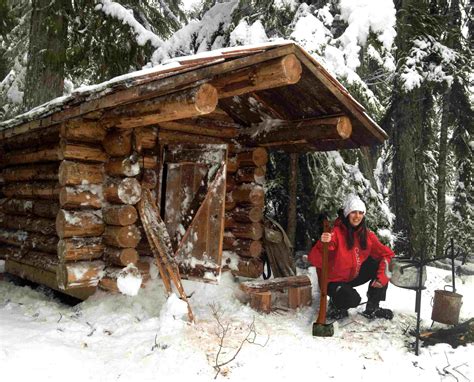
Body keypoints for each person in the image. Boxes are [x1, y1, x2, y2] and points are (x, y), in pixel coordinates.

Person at [308, 194, 394, 320]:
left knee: (380, 265)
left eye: (360, 212)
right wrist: (322, 243)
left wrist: (382, 277)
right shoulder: (335, 233)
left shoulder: (367, 235)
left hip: (353, 275)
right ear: (347, 214)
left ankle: (373, 307)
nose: (357, 216)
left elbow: (388, 254)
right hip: (334, 280)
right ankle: (337, 306)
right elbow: (314, 259)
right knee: (353, 299)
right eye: (354, 212)